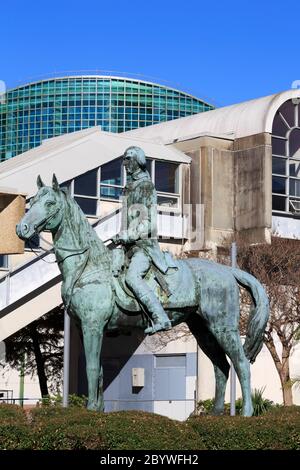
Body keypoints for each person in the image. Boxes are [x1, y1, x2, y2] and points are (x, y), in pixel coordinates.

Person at [113, 146, 173, 334]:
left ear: (138, 161)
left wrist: (129, 235)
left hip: (144, 247)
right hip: (127, 247)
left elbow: (149, 222)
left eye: (128, 160)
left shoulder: (146, 186)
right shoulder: (128, 188)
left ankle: (160, 318)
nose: (125, 164)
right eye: (124, 160)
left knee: (132, 277)